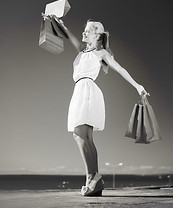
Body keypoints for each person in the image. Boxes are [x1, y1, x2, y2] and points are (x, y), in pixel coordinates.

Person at [42, 15, 148, 196]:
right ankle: (93, 180)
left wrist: (138, 86)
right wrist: (56, 22)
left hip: (88, 90)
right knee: (83, 137)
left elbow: (121, 69)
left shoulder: (101, 53)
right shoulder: (82, 51)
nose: (84, 31)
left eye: (89, 30)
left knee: (80, 134)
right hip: (79, 91)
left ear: (98, 35)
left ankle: (93, 177)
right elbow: (68, 35)